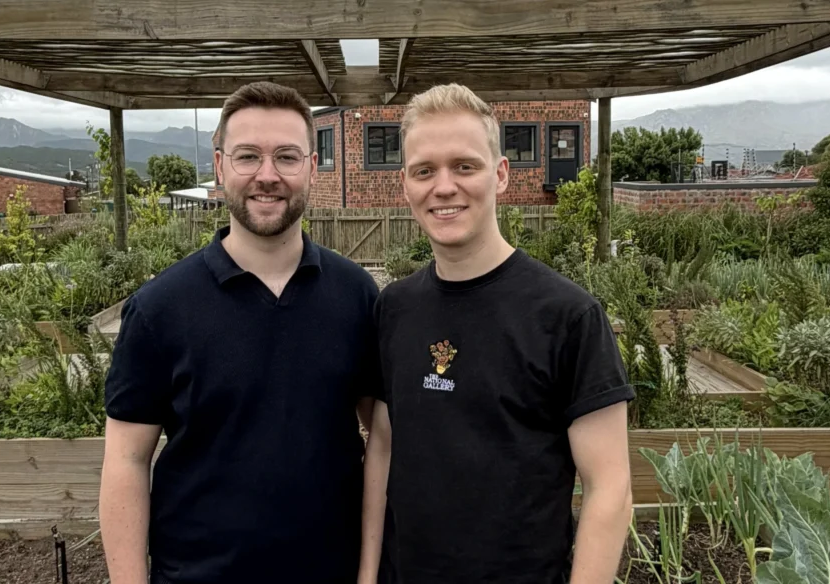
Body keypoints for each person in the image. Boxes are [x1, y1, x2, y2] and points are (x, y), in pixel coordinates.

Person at [99, 81, 380, 584]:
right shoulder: (160, 308)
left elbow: (383, 436)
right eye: (248, 156)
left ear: (313, 168)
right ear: (219, 165)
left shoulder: (357, 297)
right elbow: (126, 460)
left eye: (287, 157)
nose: (267, 176)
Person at [358, 84, 635, 584]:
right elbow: (383, 444)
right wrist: (368, 574)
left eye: (464, 166)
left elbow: (610, 488)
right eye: (425, 170)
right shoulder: (394, 308)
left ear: (501, 174)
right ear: (405, 185)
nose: (444, 187)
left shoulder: (568, 316)